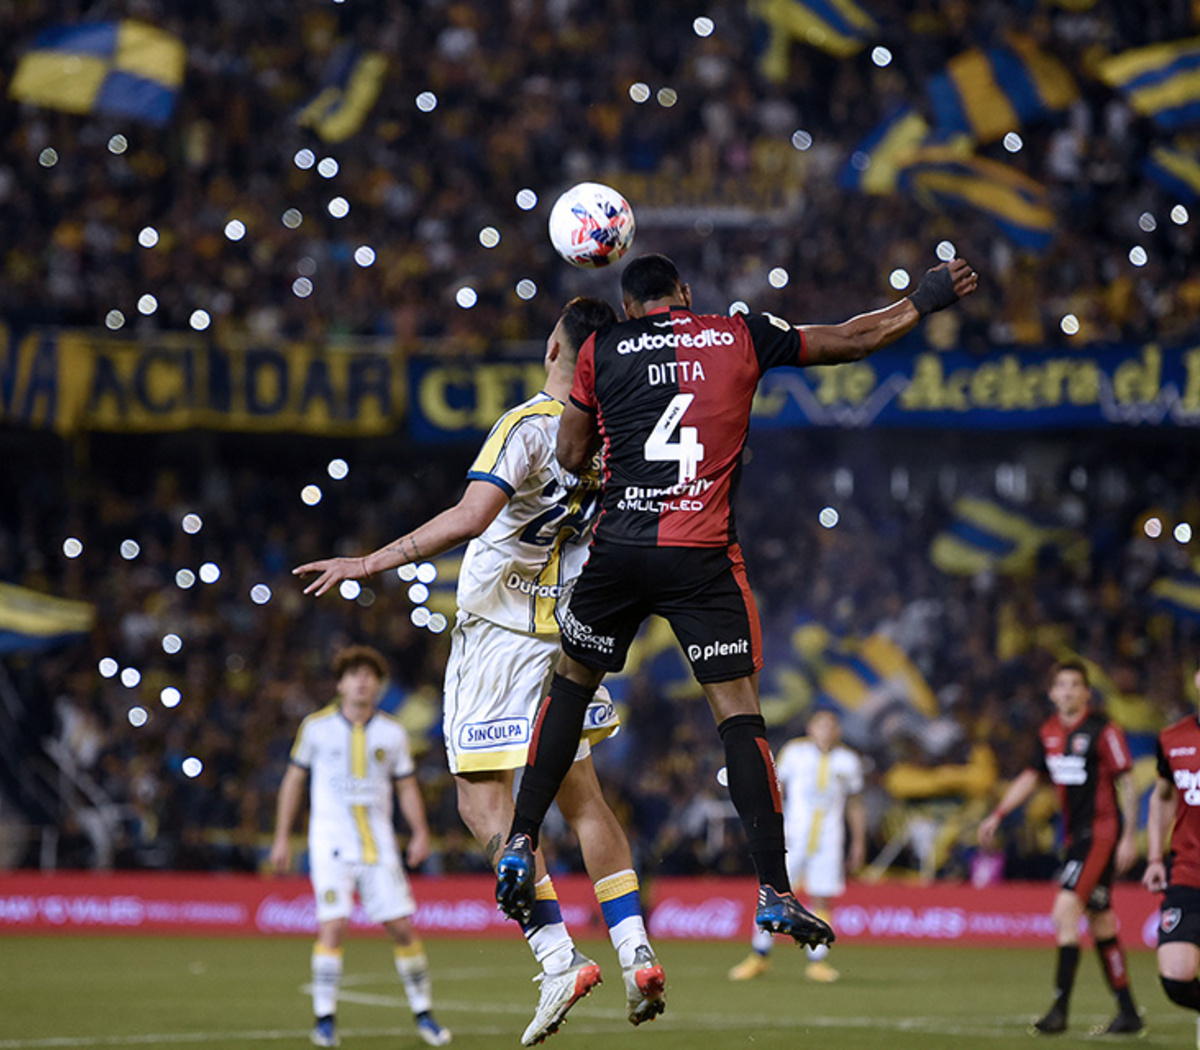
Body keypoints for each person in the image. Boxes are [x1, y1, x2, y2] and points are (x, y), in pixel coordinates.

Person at [492, 251, 978, 952]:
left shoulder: (601, 348)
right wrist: (922, 300)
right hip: (702, 557)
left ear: (629, 309)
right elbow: (853, 338)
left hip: (622, 549)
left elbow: (570, 457)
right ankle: (774, 891)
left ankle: (519, 839)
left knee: (568, 686)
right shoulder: (739, 333)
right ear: (685, 295)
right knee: (738, 716)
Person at [293, 297, 665, 1046]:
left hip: (498, 638)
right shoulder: (620, 440)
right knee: (583, 797)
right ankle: (636, 949)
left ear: (556, 349)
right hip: (568, 634)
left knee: (480, 808)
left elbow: (469, 518)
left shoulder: (528, 427)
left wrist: (367, 562)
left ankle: (559, 957)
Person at [269, 645, 451, 1048]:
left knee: (401, 928)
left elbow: (406, 786)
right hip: (330, 843)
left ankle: (424, 1014)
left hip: (379, 844)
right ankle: (325, 1020)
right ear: (340, 683)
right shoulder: (315, 727)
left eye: (369, 675)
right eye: (354, 674)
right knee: (333, 925)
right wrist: (282, 837)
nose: (362, 681)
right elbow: (293, 782)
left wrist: (420, 832)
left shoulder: (392, 732)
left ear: (378, 684)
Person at [979, 661, 1142, 1036]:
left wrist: (1130, 835)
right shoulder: (1049, 732)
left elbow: (1128, 780)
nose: (1068, 692)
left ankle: (1059, 1011)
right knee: (1100, 919)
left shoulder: (1104, 730)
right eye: (1061, 686)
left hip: (1100, 834)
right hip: (1073, 838)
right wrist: (999, 813)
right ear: (1052, 693)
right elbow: (1031, 776)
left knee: (1064, 910)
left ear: (1087, 692)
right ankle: (1129, 1012)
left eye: (1075, 685)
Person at [728, 708, 866, 982]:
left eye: (831, 725)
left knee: (822, 897)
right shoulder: (794, 753)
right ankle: (759, 956)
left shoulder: (847, 761)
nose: (826, 730)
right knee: (771, 891)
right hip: (792, 836)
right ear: (810, 728)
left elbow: (855, 804)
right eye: (821, 724)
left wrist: (858, 842)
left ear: (837, 731)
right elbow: (772, 789)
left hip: (829, 838)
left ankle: (817, 961)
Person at [1142, 664, 1200, 1047]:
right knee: (1176, 978)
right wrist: (1153, 858)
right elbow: (1162, 798)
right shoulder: (1173, 737)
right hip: (1188, 872)